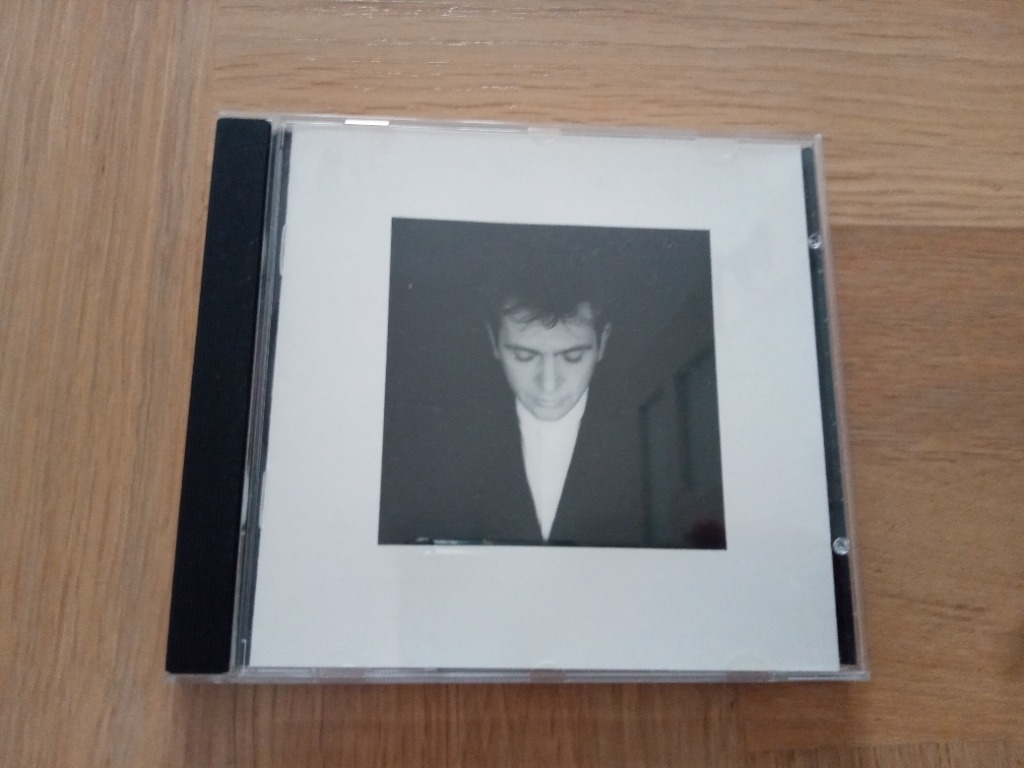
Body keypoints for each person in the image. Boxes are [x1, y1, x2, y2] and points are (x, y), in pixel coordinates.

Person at [378, 258, 655, 547]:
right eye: (524, 356)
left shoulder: (651, 437)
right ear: (493, 341)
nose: (548, 384)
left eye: (572, 357)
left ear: (603, 343)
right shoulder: (431, 443)